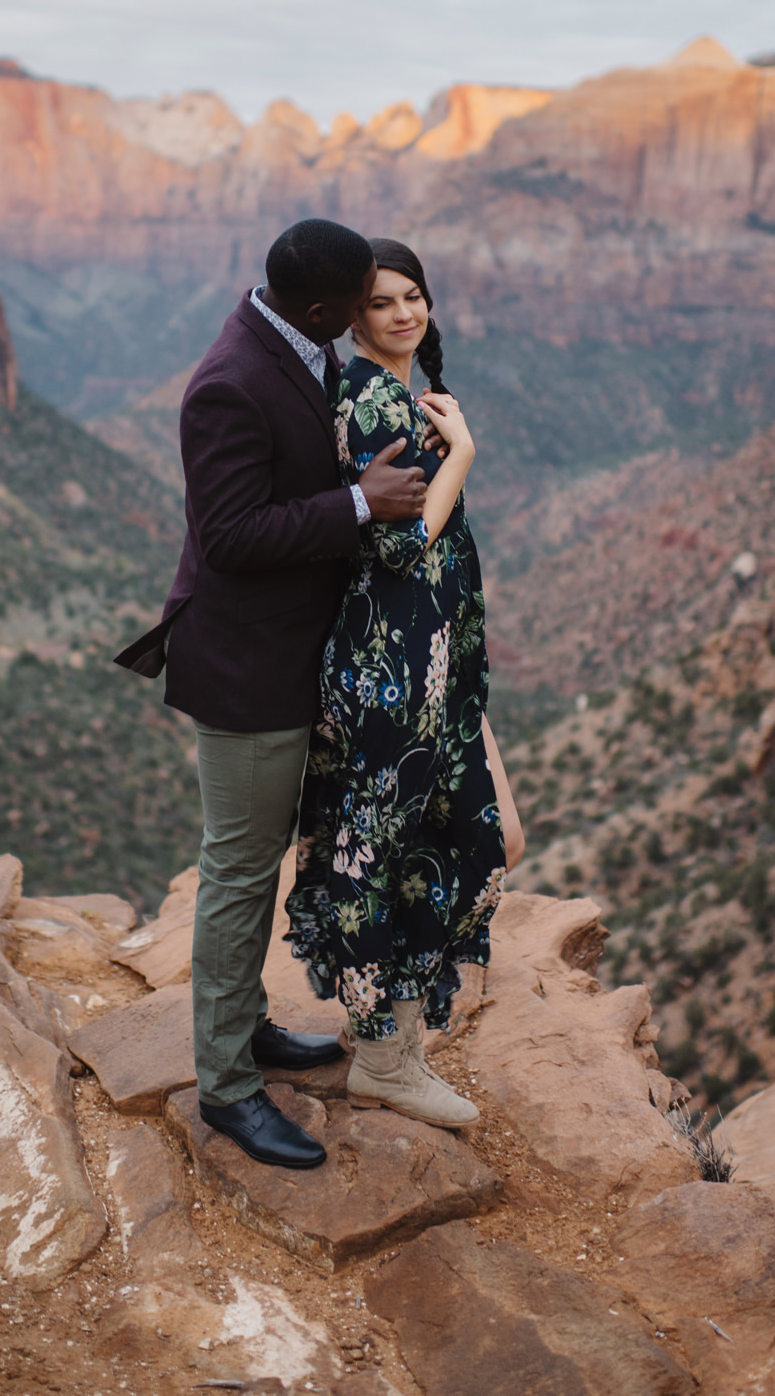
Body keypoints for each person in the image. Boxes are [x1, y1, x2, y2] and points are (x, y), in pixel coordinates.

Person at [115, 219, 429, 1171]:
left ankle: (246, 1027)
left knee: (255, 863)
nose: (374, 318)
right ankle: (227, 1088)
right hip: (247, 668)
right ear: (324, 309)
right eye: (362, 305)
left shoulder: (288, 339)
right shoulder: (228, 382)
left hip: (292, 655)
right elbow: (231, 535)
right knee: (241, 871)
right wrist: (361, 504)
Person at [284, 238, 522, 1127]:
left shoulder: (400, 391)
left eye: (414, 296)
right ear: (353, 316)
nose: (403, 314)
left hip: (422, 665)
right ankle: (385, 1053)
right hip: (389, 674)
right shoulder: (374, 395)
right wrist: (462, 453)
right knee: (385, 853)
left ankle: (387, 1040)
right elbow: (395, 543)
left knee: (428, 842)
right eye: (382, 302)